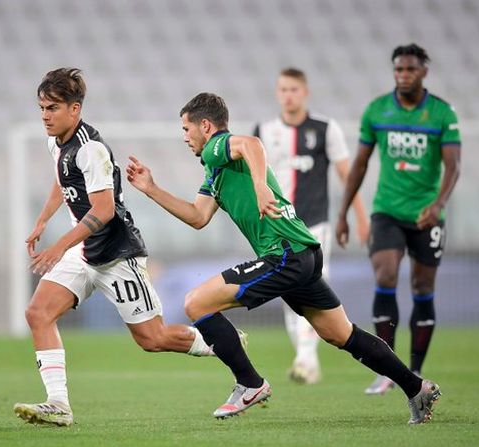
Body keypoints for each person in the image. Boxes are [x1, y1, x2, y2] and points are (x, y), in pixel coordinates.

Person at [126, 92, 441, 424]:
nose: (185, 138)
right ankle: (417, 388)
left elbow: (251, 144)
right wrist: (152, 189)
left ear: (205, 125)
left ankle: (250, 384)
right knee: (341, 334)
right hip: (302, 254)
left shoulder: (219, 145)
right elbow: (197, 217)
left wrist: (261, 186)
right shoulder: (215, 169)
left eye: (186, 129)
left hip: (285, 253)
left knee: (196, 303)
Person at [13, 68, 230, 427]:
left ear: (75, 109)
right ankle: (59, 404)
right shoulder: (57, 143)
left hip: (117, 255)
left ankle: (222, 342)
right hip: (83, 252)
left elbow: (104, 209)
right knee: (38, 313)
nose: (45, 116)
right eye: (42, 108)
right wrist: (43, 220)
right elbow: (61, 179)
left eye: (52, 108)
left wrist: (57, 246)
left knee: (153, 338)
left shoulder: (91, 149)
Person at [336, 44, 461, 395]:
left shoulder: (441, 114)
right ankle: (388, 368)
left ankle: (415, 369)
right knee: (386, 274)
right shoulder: (377, 111)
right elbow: (359, 164)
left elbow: (453, 166)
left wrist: (438, 204)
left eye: (410, 69)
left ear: (423, 72)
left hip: (426, 215)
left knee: (422, 287)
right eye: (398, 70)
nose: (403, 75)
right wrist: (344, 211)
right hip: (387, 211)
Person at [254, 68, 370, 384]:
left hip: (313, 224)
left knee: (316, 284)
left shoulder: (324, 129)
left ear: (305, 92)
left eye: (293, 89)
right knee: (287, 290)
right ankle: (308, 360)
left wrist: (359, 215)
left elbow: (348, 175)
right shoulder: (262, 132)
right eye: (283, 89)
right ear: (277, 93)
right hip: (278, 226)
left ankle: (304, 358)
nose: (288, 95)